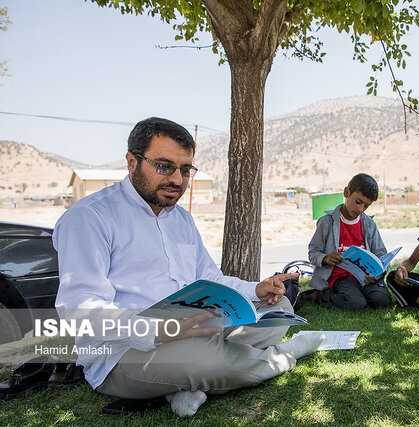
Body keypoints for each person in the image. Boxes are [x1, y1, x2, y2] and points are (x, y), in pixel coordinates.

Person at [53, 117, 322, 417]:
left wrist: (255, 289)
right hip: (123, 353)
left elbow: (210, 279)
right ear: (132, 162)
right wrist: (161, 329)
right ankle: (286, 353)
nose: (177, 180)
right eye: (164, 166)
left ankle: (184, 388)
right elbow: (78, 309)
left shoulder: (181, 220)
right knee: (207, 361)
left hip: (194, 328)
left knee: (279, 308)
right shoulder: (90, 218)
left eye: (185, 170)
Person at [308, 173, 390, 309]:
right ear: (347, 192)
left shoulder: (369, 224)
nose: (360, 209)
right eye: (358, 202)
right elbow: (313, 252)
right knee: (356, 303)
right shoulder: (327, 222)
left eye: (366, 206)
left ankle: (359, 296)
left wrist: (377, 273)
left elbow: (381, 253)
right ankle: (319, 296)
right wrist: (325, 258)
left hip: (365, 278)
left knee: (381, 300)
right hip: (340, 278)